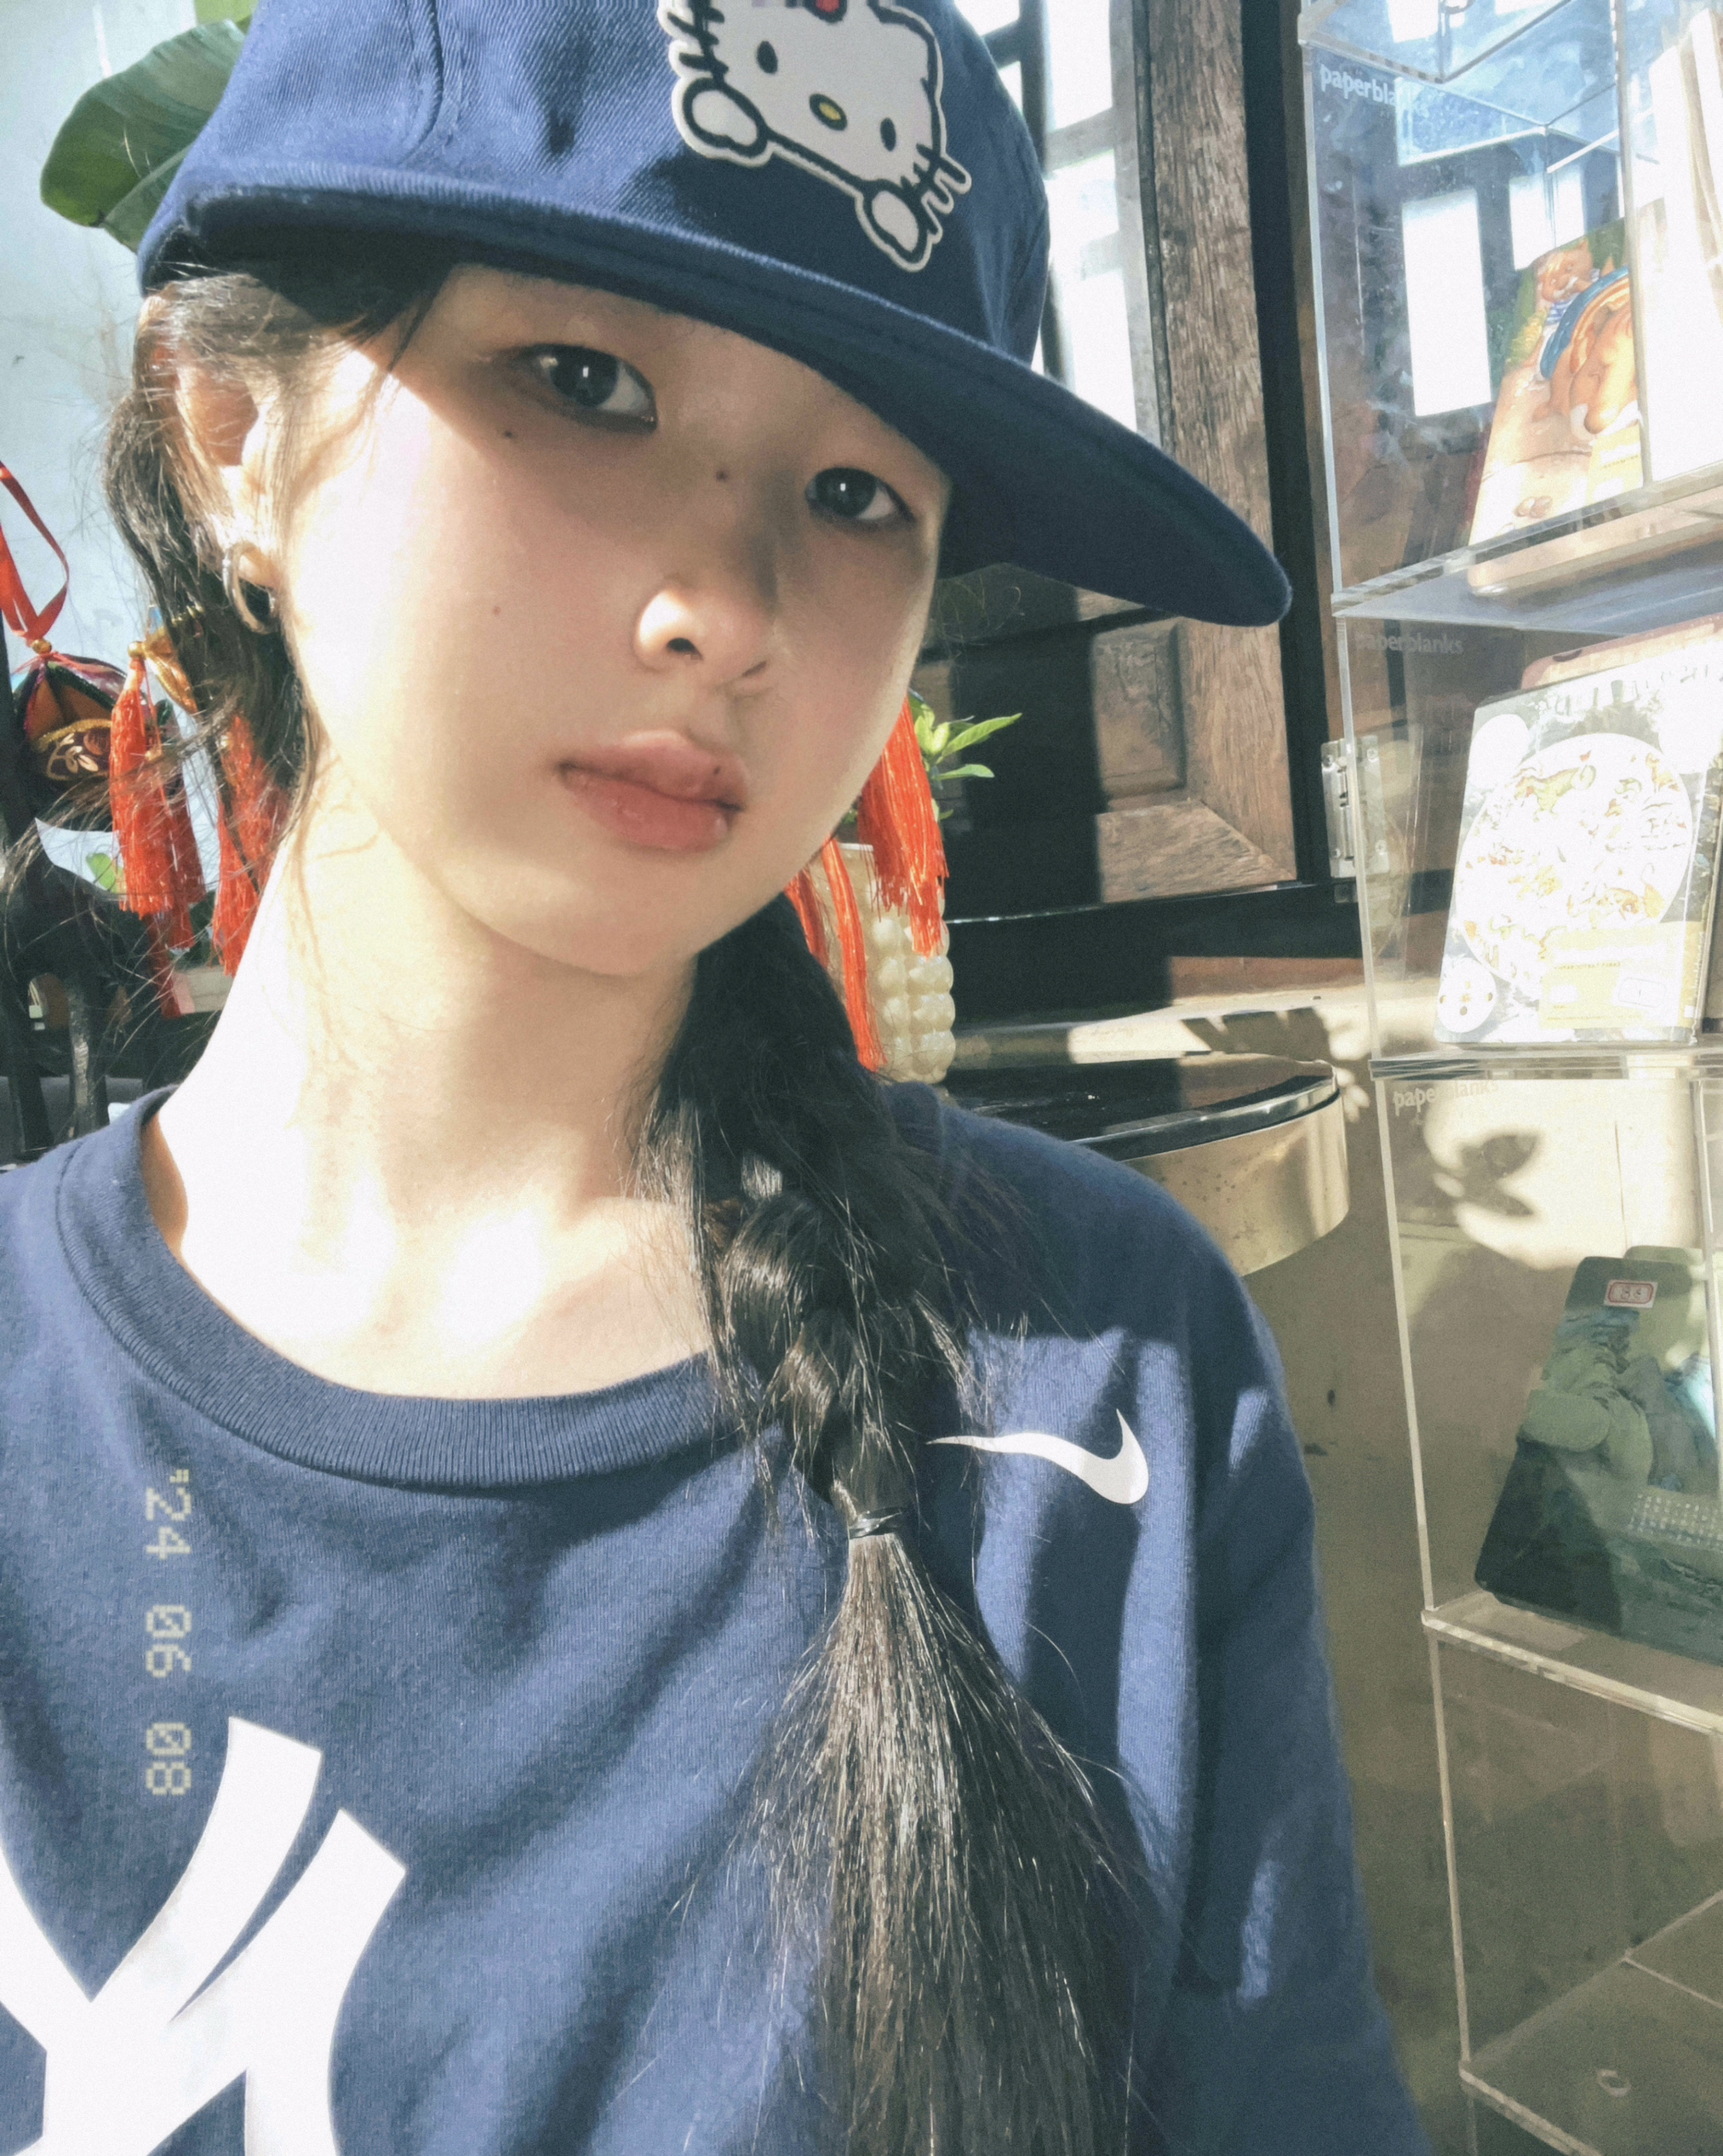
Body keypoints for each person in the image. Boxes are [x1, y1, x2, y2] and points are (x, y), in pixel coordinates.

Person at [0, 3, 1431, 2152]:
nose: (733, 610)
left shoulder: (1102, 1365)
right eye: (586, 381)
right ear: (233, 435)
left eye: (858, 494)